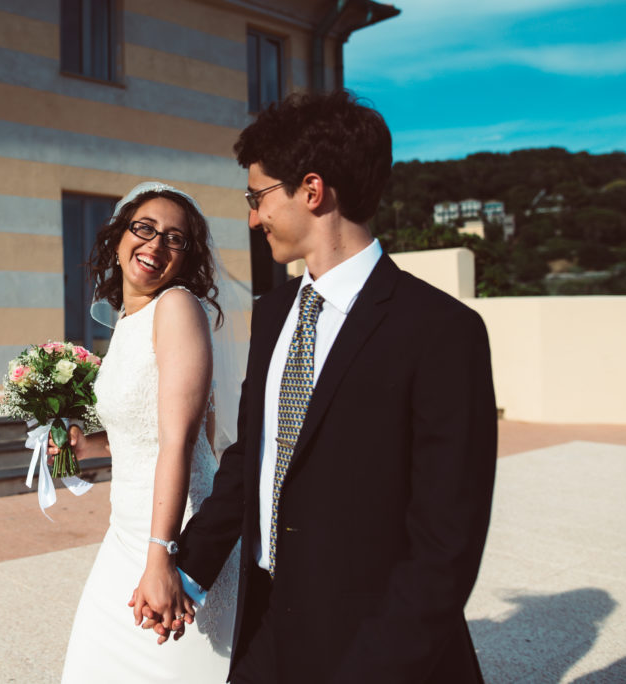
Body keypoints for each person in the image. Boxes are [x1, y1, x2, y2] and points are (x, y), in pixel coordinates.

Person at [136, 91, 498, 682]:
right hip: (262, 630)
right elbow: (249, 459)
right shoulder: (275, 313)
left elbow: (445, 546)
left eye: (257, 198)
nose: (253, 218)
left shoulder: (442, 332)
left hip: (371, 646)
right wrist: (187, 570)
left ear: (311, 190)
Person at [56, 182, 240, 683]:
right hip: (125, 532)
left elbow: (179, 441)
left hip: (174, 533)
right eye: (145, 228)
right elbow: (138, 433)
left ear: (186, 257)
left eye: (175, 239)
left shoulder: (177, 307)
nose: (156, 245)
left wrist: (164, 558)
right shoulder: (127, 325)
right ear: (119, 238)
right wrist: (83, 442)